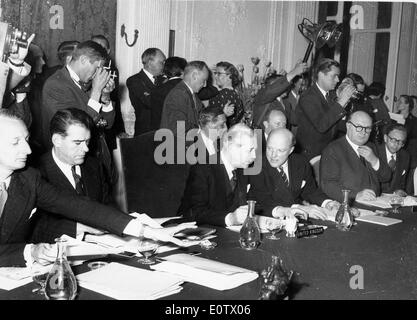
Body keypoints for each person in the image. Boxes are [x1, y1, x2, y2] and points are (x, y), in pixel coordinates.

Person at [0, 109, 194, 267]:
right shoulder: (37, 171)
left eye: (25, 140)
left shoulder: (27, 179)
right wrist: (29, 251)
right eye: (15, 142)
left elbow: (76, 205)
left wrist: (144, 229)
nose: (28, 149)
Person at [31, 109, 114, 243]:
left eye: (87, 141)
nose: (86, 149)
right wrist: (80, 231)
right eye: (78, 142)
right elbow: (34, 229)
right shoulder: (35, 174)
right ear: (57, 140)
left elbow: (107, 206)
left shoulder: (93, 165)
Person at [178, 124, 256, 227]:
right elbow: (193, 212)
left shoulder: (242, 170)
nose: (254, 156)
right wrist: (231, 218)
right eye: (250, 150)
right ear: (228, 145)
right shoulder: (203, 168)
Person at [42, 40, 116, 149]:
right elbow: (76, 129)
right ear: (83, 60)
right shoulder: (55, 85)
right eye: (96, 68)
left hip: (96, 157)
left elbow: (106, 124)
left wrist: (105, 97)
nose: (97, 74)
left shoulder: (90, 83)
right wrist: (96, 92)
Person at [320, 111, 391, 203]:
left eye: (367, 128)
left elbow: (386, 177)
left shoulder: (371, 146)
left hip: (375, 203)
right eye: (359, 127)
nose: (363, 132)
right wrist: (355, 195)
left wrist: (374, 161)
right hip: (349, 204)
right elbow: (328, 184)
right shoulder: (333, 149)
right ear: (348, 126)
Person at [296, 58, 356, 161]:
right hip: (309, 155)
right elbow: (322, 126)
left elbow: (338, 125)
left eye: (338, 76)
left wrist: (356, 127)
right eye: (334, 76)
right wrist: (341, 102)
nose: (338, 80)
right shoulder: (308, 97)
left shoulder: (331, 95)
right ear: (321, 75)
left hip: (327, 151)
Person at [92, 34, 126, 150]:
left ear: (108, 50)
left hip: (106, 117)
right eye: (95, 47)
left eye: (102, 48)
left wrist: (120, 128)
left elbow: (115, 98)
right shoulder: (87, 69)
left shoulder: (113, 70)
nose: (98, 51)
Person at [160, 61, 209, 141]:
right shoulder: (178, 94)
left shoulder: (190, 93)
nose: (205, 85)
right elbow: (179, 127)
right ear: (194, 76)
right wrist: (201, 130)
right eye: (203, 80)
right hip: (175, 148)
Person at [252, 61, 308, 128]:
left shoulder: (285, 103)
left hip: (279, 136)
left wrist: (300, 103)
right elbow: (273, 90)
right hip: (260, 136)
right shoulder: (262, 97)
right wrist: (294, 72)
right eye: (280, 84)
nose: (285, 86)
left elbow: (295, 120)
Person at [127, 48, 166, 136]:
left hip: (163, 132)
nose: (164, 66)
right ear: (149, 63)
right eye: (161, 62)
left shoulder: (163, 80)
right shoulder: (134, 80)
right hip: (146, 133)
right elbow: (150, 101)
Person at [150, 56, 187, 131]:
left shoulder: (157, 90)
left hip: (160, 132)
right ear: (183, 72)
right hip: (181, 133)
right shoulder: (187, 88)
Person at [375, 123, 411, 195]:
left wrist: (400, 191)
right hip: (375, 196)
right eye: (393, 140)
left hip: (393, 199)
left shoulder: (405, 156)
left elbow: (402, 183)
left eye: (401, 142)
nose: (396, 144)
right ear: (385, 138)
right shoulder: (374, 152)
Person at [209, 62, 245, 127]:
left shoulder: (223, 94)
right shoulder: (235, 93)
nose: (215, 76)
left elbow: (213, 119)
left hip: (218, 133)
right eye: (215, 73)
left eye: (219, 73)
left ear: (229, 76)